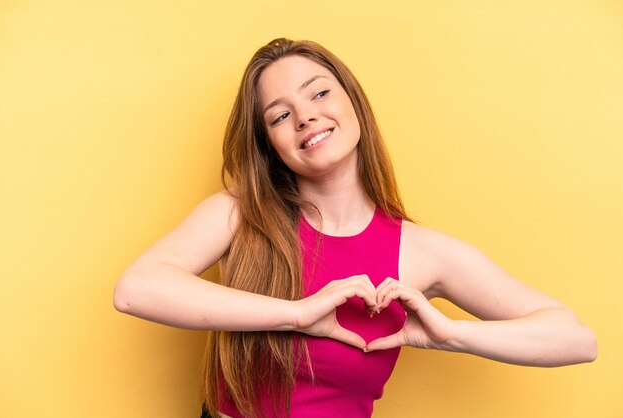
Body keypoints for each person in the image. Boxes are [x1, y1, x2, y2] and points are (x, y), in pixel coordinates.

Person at [113, 38, 597, 418]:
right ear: (270, 144)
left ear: (354, 102)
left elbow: (575, 339)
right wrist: (297, 314)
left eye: (319, 92)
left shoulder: (424, 251)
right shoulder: (239, 213)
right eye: (280, 115)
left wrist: (451, 334)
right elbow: (136, 289)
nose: (305, 116)